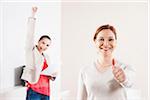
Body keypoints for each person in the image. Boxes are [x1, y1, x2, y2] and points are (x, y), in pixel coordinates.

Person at [77, 24, 135, 100]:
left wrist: (124, 79)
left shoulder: (125, 68)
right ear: (95, 42)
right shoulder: (85, 71)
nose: (106, 44)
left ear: (116, 42)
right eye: (101, 39)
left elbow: (130, 83)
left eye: (110, 39)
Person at [21, 7, 57, 100]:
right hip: (34, 89)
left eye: (47, 45)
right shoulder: (31, 51)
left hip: (46, 91)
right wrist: (33, 15)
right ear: (38, 41)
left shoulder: (47, 57)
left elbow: (48, 72)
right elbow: (30, 34)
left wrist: (53, 75)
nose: (44, 46)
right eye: (43, 43)